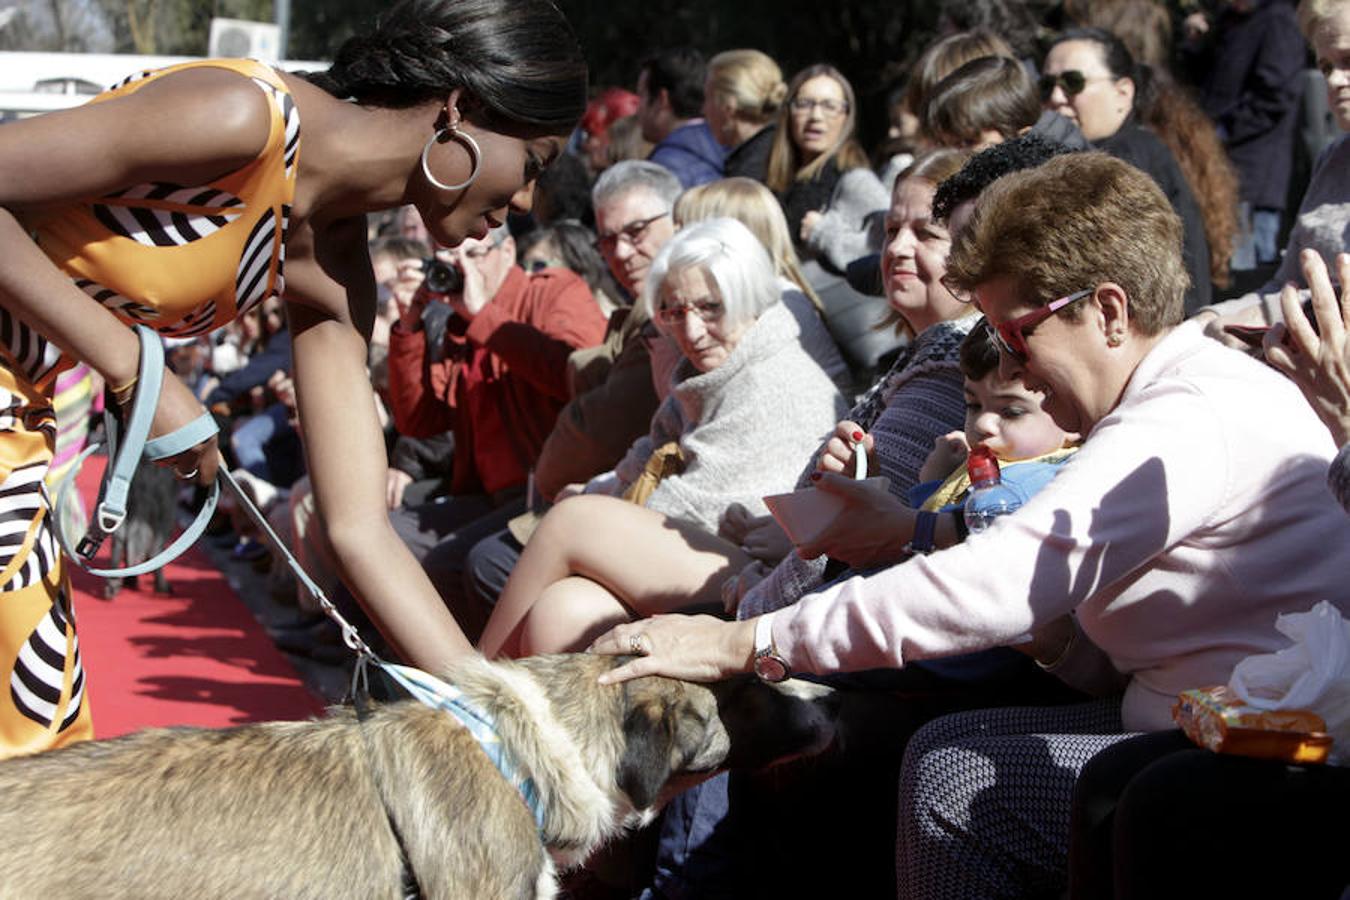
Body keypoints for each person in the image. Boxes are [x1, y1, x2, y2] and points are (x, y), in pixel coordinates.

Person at [586, 152, 1350, 899]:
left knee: (950, 776)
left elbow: (1003, 579)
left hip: (1250, 758)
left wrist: (744, 642)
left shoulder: (1181, 418)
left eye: (1019, 335)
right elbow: (1124, 638)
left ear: (1110, 312)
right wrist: (1049, 636)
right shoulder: (1172, 400)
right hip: (1184, 722)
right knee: (940, 749)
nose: (1015, 366)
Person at [0, 0, 587, 755]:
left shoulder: (337, 272)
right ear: (463, 109)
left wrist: (499, 721)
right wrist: (135, 368)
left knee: (38, 750)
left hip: (22, 429)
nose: (526, 203)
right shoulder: (242, 114)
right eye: (534, 164)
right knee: (36, 758)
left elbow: (357, 528)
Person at [476, 217, 846, 658]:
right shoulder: (708, 371)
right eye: (674, 312)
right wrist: (603, 492)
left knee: (570, 522)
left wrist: (600, 518)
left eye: (710, 308)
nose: (690, 333)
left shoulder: (774, 376)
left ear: (746, 295)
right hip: (716, 556)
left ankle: (468, 697)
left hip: (771, 577)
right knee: (561, 612)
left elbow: (702, 509)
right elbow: (648, 455)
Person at [1201, 0, 1350, 338]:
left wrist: (1256, 317)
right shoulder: (1333, 159)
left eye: (1348, 61)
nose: (1336, 80)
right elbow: (1286, 282)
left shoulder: (1272, 22)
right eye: (1326, 67)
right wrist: (1207, 318)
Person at [1042, 27, 1214, 311]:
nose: (1056, 97)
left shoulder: (1132, 156)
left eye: (1073, 82)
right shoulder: (1089, 150)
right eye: (1046, 85)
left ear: (1123, 92)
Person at [1180, 0, 1306, 273]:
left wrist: (1222, 130)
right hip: (1216, 167)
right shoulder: (1228, 20)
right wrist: (1196, 43)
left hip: (1253, 173)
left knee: (1249, 269)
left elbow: (1275, 95)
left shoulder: (1277, 20)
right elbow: (1202, 80)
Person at [767, 64, 889, 276]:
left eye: (829, 106)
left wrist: (823, 232)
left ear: (846, 117)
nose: (815, 115)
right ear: (788, 112)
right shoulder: (779, 178)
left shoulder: (856, 181)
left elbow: (886, 250)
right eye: (804, 104)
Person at [637, 48, 725, 189]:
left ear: (662, 99)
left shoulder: (662, 171)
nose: (637, 106)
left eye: (641, 95)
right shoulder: (735, 151)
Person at [702, 50, 787, 183]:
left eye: (707, 98)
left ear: (727, 107)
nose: (703, 110)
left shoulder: (746, 176)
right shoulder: (783, 150)